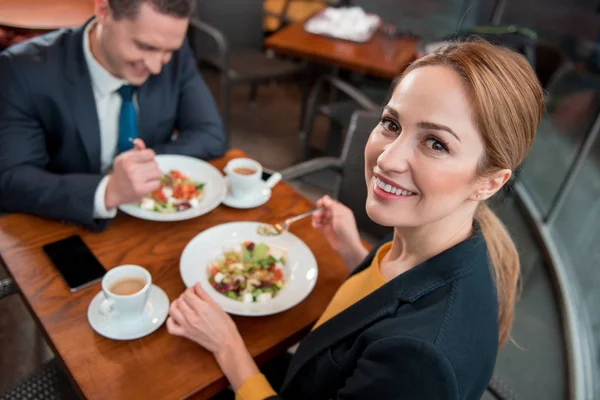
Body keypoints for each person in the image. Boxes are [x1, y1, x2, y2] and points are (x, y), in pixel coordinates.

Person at [166, 40, 545, 400]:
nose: (387, 160)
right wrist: (354, 253)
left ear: (489, 182)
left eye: (436, 143)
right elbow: (397, 297)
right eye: (392, 124)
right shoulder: (431, 240)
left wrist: (227, 347)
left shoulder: (418, 362)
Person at [0, 0, 225, 231]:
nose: (157, 67)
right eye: (144, 46)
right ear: (104, 11)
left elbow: (210, 136)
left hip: (153, 223)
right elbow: (11, 180)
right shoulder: (21, 71)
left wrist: (139, 169)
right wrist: (106, 189)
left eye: (168, 51)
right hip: (67, 227)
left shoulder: (171, 48)